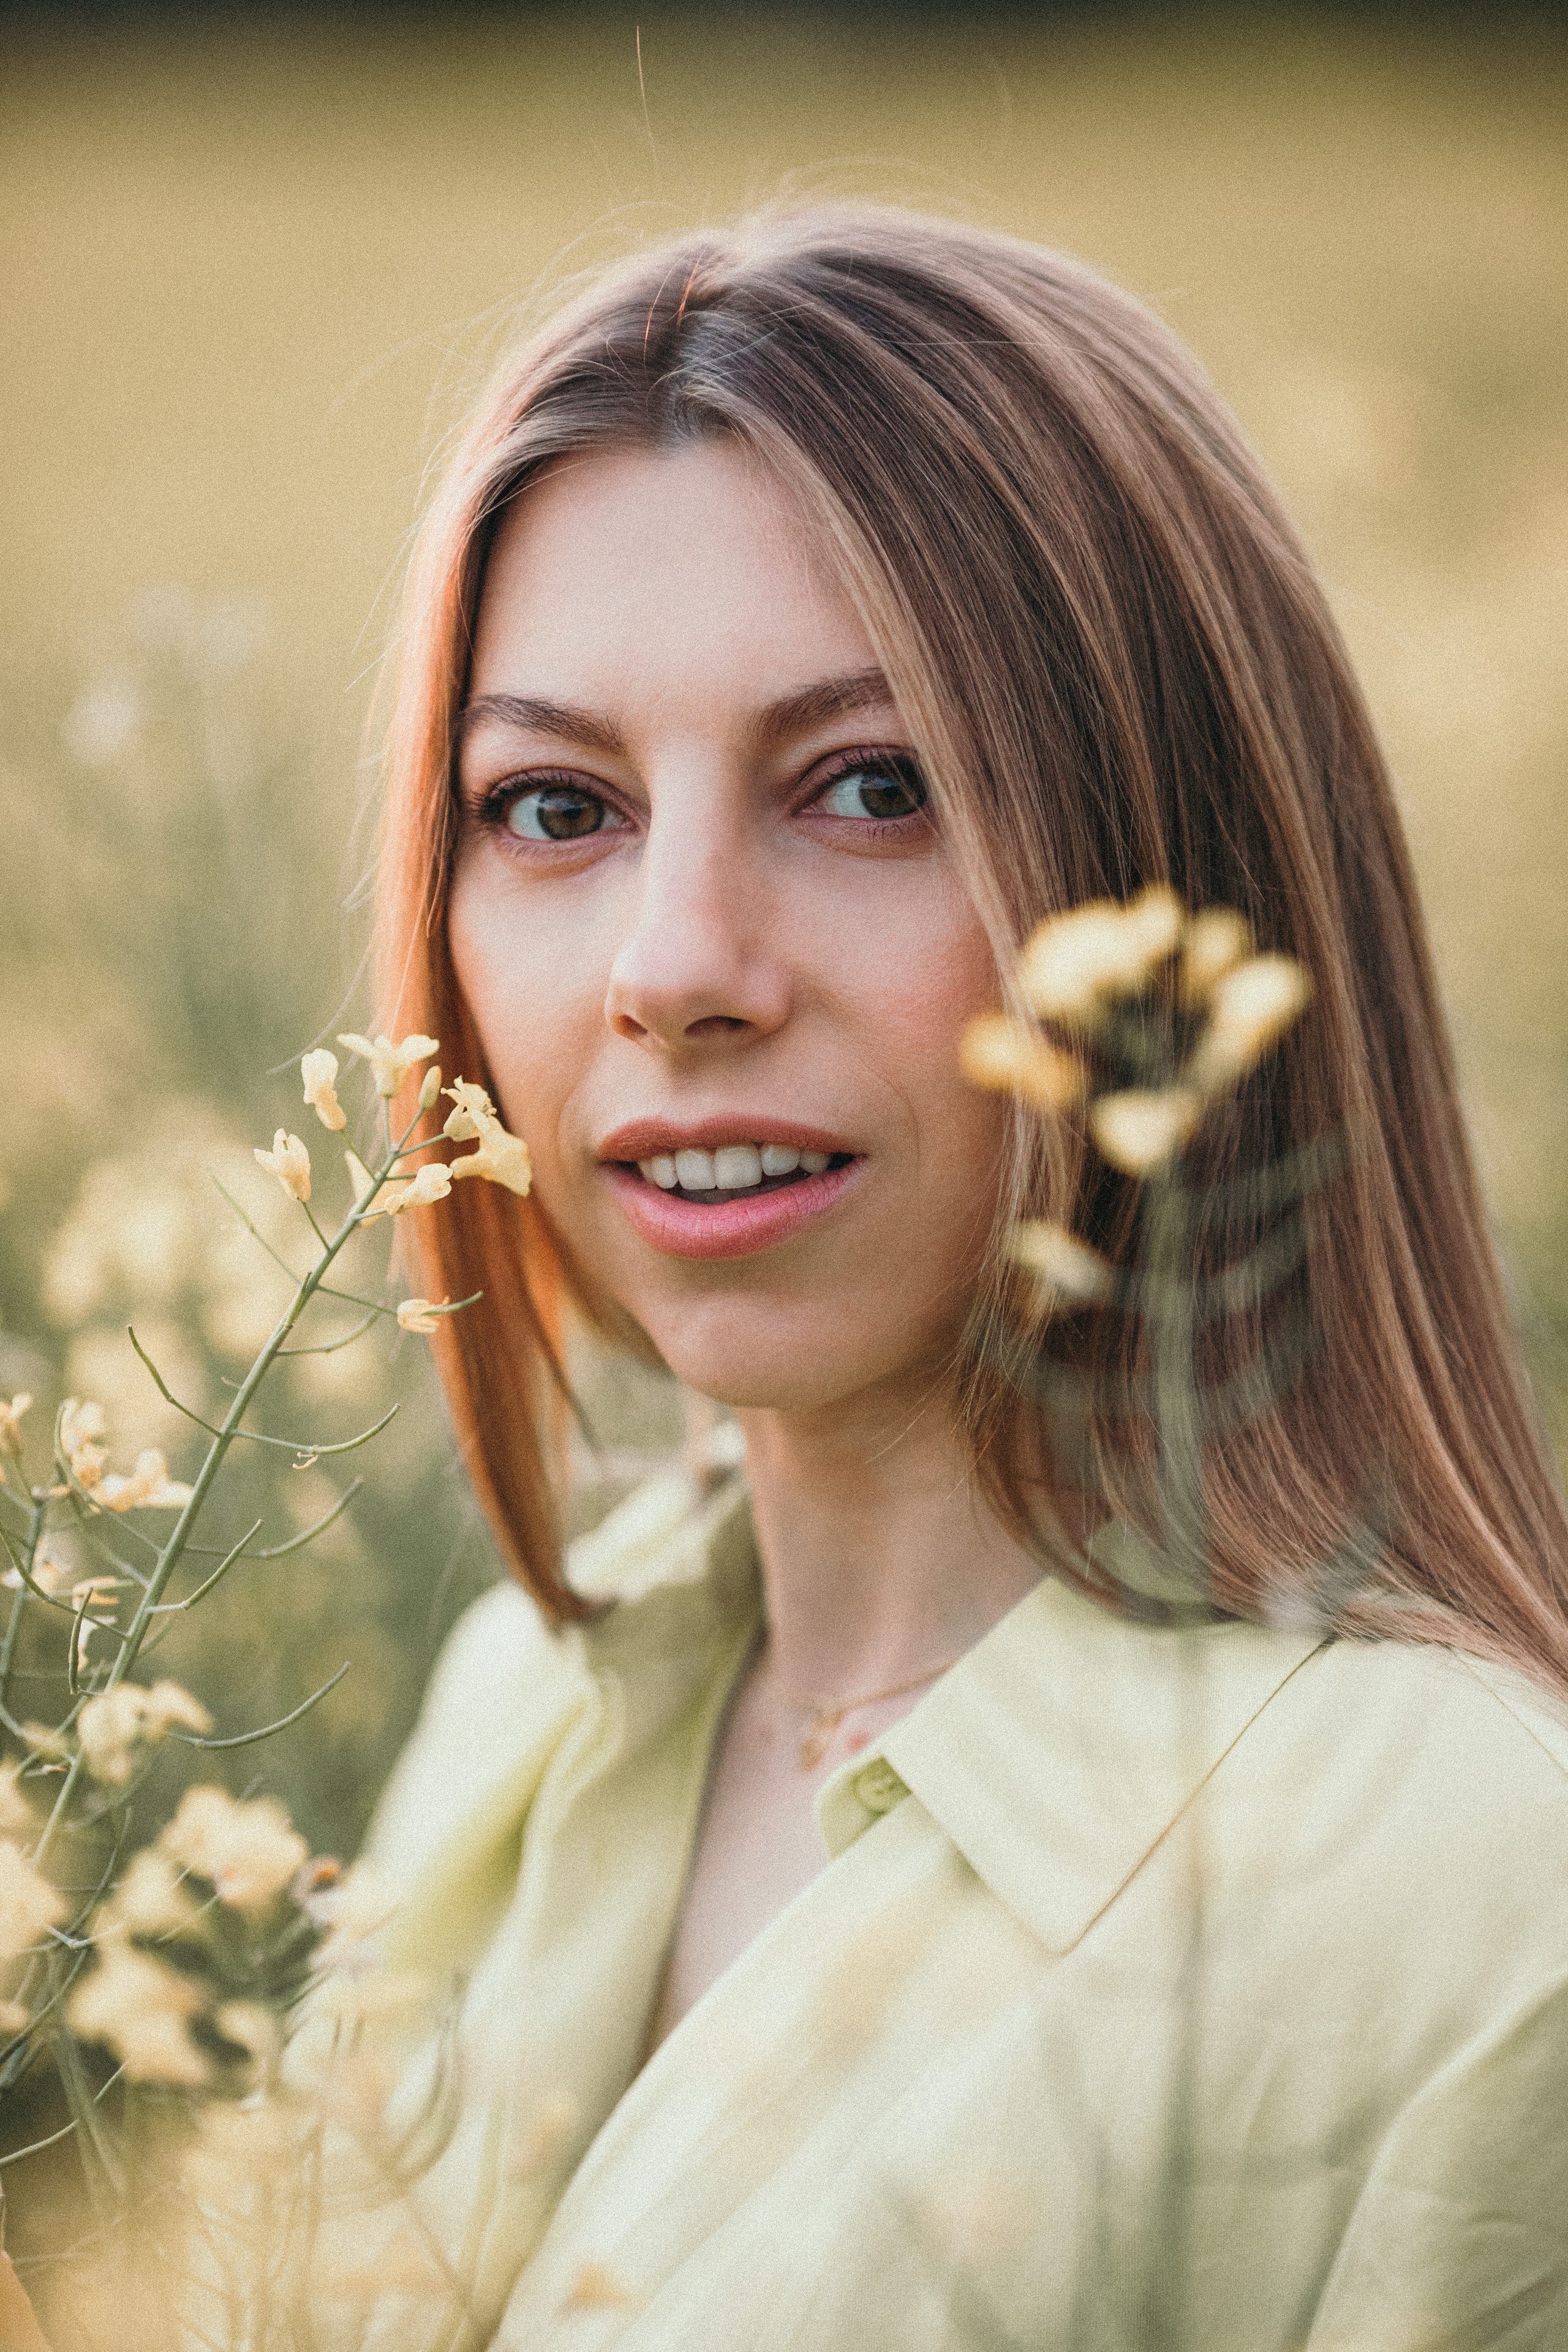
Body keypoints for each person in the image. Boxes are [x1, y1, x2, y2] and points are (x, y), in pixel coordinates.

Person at [307, 206, 1568, 2349]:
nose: (675, 966)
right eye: (550, 806)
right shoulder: (531, 1707)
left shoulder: (1470, 1901)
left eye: (872, 787)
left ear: (1186, 891)